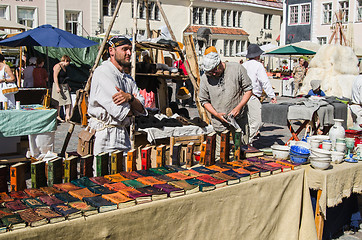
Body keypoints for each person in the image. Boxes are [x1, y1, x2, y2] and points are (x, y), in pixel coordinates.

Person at [88, 36, 147, 168]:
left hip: (122, 133)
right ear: (111, 51)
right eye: (125, 49)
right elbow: (122, 111)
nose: (129, 53)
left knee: (123, 178)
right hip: (105, 136)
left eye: (130, 50)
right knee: (103, 179)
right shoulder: (103, 72)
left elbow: (142, 109)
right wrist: (134, 107)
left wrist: (130, 98)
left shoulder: (128, 79)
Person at [199, 51, 252, 154]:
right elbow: (204, 100)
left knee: (242, 150)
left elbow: (248, 90)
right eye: (210, 72)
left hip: (239, 119)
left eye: (215, 70)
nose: (213, 74)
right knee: (221, 153)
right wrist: (217, 115)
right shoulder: (206, 77)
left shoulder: (236, 68)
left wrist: (239, 107)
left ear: (219, 62)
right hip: (220, 121)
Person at [242, 44, 277, 142]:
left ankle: (245, 142)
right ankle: (247, 141)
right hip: (252, 96)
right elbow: (264, 81)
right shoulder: (258, 66)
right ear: (257, 55)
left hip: (242, 96)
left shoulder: (243, 65)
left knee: (247, 121)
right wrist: (272, 95)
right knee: (259, 120)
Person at [52, 55, 72, 122]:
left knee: (68, 101)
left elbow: (65, 78)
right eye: (68, 62)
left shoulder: (64, 67)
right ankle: (58, 116)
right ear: (66, 60)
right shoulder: (58, 66)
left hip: (64, 85)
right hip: (59, 85)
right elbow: (55, 77)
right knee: (59, 102)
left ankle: (67, 116)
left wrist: (68, 86)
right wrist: (57, 87)